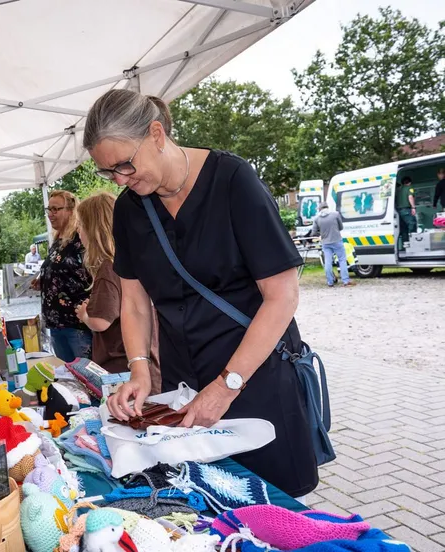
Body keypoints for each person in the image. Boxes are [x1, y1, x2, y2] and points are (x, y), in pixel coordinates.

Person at [85, 89, 317, 498]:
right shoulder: (128, 210)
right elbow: (135, 302)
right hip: (184, 385)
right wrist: (140, 368)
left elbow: (282, 295)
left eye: (124, 164)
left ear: (156, 134)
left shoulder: (233, 181)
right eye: (109, 173)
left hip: (253, 375)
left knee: (273, 506)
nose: (120, 179)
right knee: (207, 501)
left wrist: (227, 385)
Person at [74, 192, 161, 392]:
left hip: (122, 370)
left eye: (81, 224)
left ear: (93, 229)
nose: (78, 230)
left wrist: (85, 315)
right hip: (145, 364)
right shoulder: (134, 261)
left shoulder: (108, 268)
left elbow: (101, 322)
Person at [37, 190, 93, 362]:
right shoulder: (58, 239)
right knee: (70, 377)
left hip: (76, 324)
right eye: (49, 210)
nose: (51, 215)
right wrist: (44, 279)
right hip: (57, 324)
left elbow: (89, 272)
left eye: (56, 209)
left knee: (85, 377)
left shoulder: (80, 238)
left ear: (71, 210)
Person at [311, 202, 354, 288]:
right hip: (337, 240)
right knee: (342, 260)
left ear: (319, 209)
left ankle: (330, 282)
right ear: (327, 207)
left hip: (325, 243)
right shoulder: (335, 214)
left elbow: (314, 232)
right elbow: (341, 227)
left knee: (328, 262)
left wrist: (322, 233)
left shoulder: (317, 219)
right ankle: (345, 281)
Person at [397, 176, 417, 247]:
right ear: (410, 182)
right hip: (407, 210)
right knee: (412, 224)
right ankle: (413, 244)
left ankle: (405, 244)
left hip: (399, 211)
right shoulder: (410, 187)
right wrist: (413, 207)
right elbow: (410, 197)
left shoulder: (398, 189)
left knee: (404, 228)